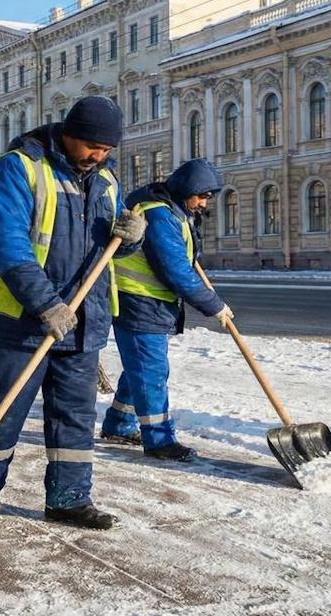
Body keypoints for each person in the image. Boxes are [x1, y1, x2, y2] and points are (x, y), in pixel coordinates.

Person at [0, 96, 145, 530]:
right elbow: (9, 243)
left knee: (75, 416)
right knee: (2, 412)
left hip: (83, 321)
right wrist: (45, 303)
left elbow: (109, 246)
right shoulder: (18, 168)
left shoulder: (105, 179)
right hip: (21, 321)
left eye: (106, 151)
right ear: (68, 133)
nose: (99, 156)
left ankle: (69, 498)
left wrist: (133, 238)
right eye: (91, 147)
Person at [100, 158, 234, 461]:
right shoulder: (159, 215)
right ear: (188, 189)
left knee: (141, 369)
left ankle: (120, 423)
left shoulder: (173, 210)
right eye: (201, 196)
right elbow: (175, 271)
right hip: (138, 301)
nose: (203, 203)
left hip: (150, 302)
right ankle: (160, 440)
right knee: (151, 372)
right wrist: (214, 305)